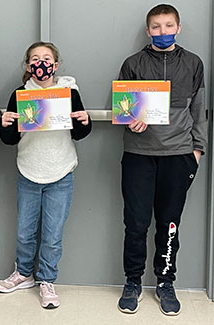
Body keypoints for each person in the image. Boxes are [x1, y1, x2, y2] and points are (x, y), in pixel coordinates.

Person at [116, 4, 207, 316]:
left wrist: (198, 151)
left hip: (179, 155)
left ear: (178, 28)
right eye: (156, 27)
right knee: (136, 223)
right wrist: (129, 120)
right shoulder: (132, 63)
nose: (163, 32)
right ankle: (132, 281)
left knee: (169, 225)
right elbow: (124, 109)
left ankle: (166, 282)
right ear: (148, 30)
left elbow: (200, 111)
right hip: (139, 154)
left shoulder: (194, 63)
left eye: (169, 26)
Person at [0, 41, 92, 309]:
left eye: (46, 58)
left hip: (61, 171)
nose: (41, 63)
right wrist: (4, 125)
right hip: (29, 170)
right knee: (25, 232)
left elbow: (79, 132)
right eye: (35, 59)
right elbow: (11, 138)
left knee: (52, 234)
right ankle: (23, 273)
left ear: (56, 65)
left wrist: (85, 121)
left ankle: (47, 280)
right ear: (28, 66)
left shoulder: (69, 91)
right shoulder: (20, 93)